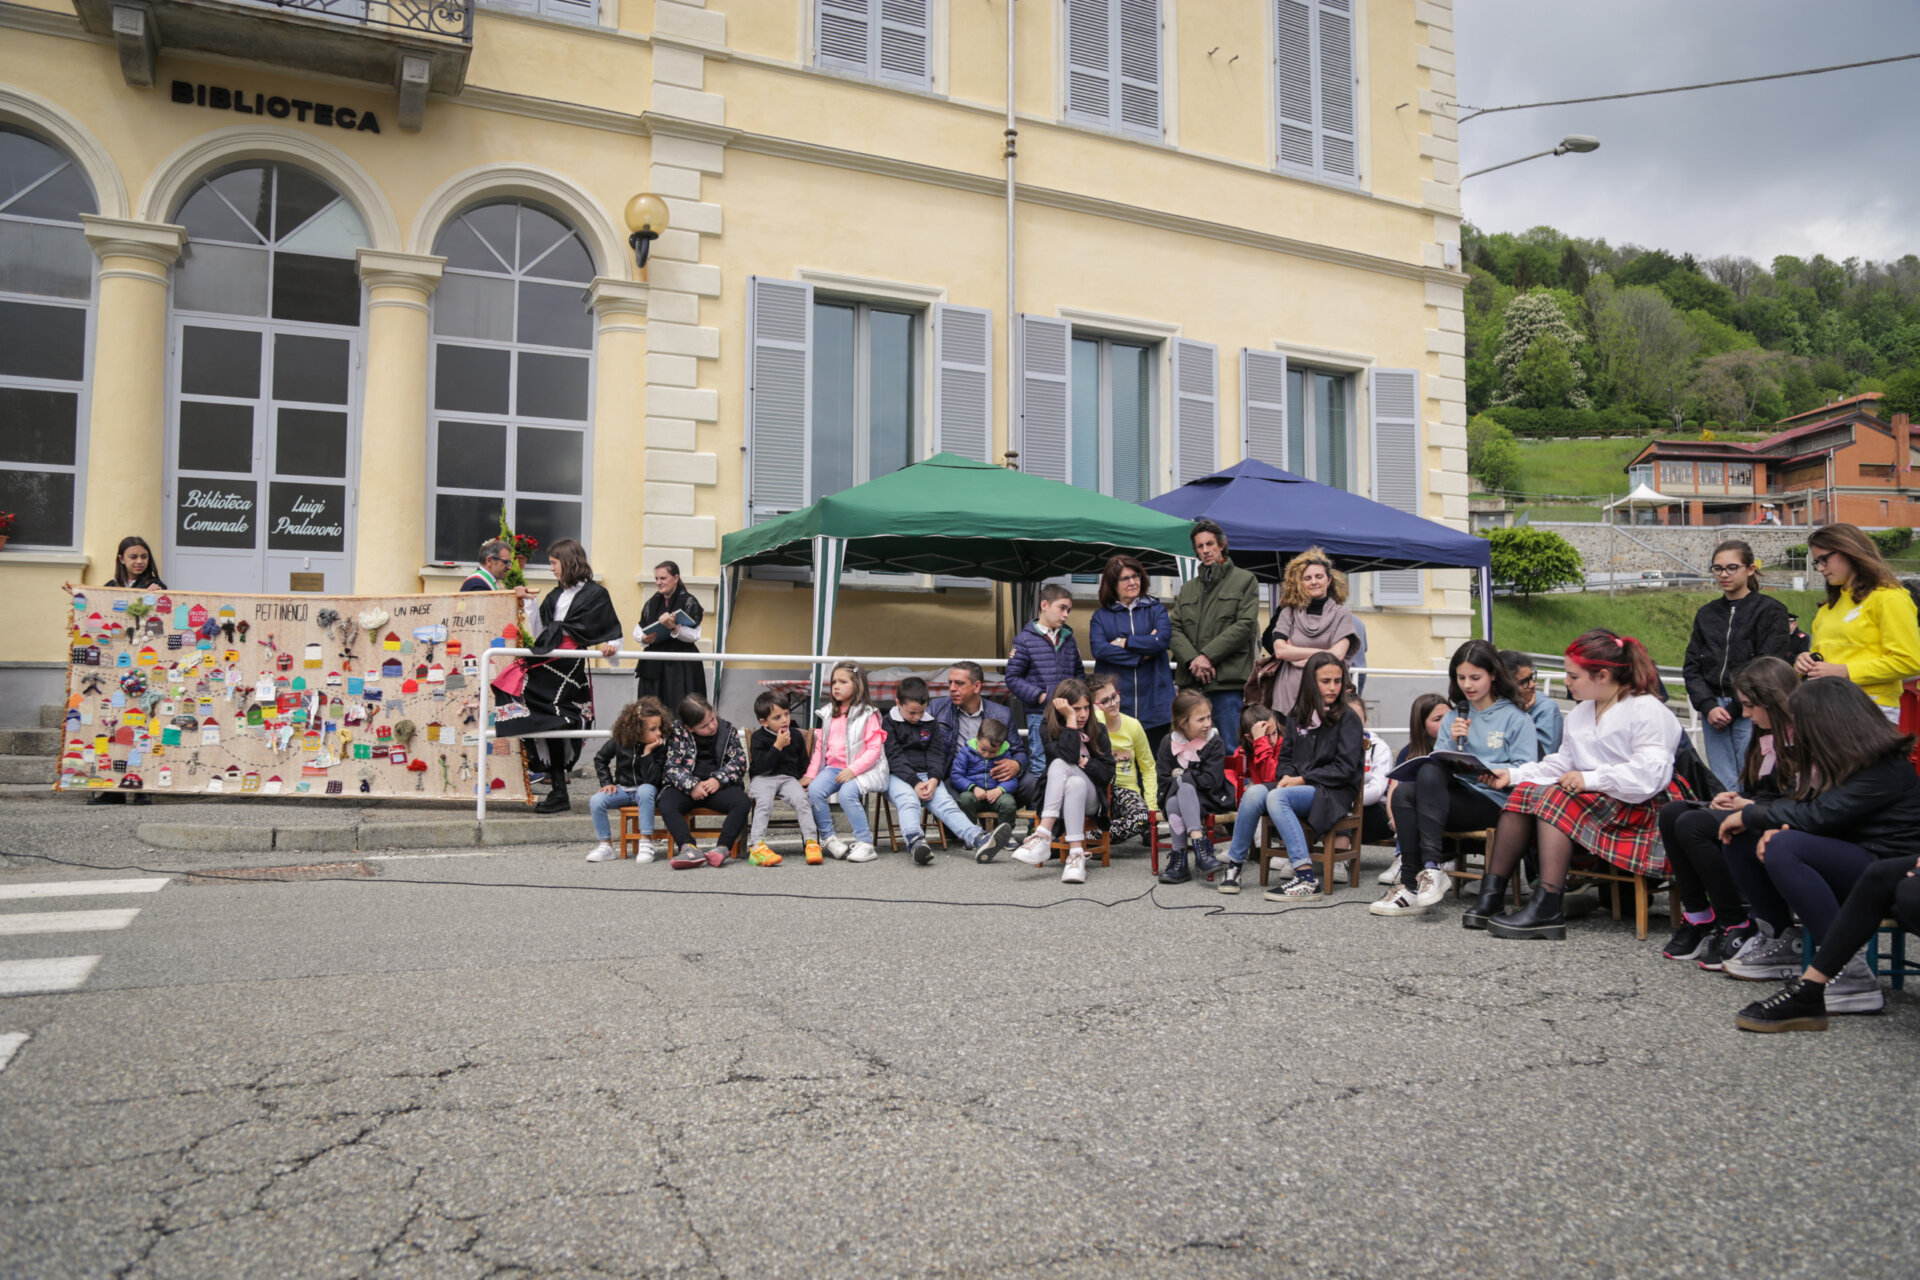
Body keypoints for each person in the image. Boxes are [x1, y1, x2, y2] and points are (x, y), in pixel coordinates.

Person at [1715, 678, 1920, 1019]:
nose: (1796, 731)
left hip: (1888, 869)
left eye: (1801, 723)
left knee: (1781, 844)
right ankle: (1779, 938)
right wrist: (1767, 823)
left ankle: (1848, 971)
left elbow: (1822, 815)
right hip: (1855, 854)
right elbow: (1811, 812)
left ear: (1829, 723)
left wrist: (1756, 816)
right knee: (1747, 836)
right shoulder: (1845, 758)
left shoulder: (1882, 765)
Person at [1468, 630, 1682, 941]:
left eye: (1573, 675)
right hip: (1595, 800)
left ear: (1603, 675)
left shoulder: (1647, 710)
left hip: (1639, 806)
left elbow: (1650, 776)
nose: (1566, 682)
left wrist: (1590, 779)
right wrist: (1512, 776)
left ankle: (1548, 905)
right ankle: (1492, 894)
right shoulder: (1582, 711)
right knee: (1527, 792)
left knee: (1555, 797)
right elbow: (1561, 763)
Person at [1371, 641, 1534, 917]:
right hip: (1451, 799)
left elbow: (1526, 769)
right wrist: (1456, 743)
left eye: (1475, 677)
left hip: (1494, 802)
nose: (1467, 685)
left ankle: (1430, 870)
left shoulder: (1515, 718)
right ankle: (1413, 883)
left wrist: (1483, 764)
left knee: (1427, 778)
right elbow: (1439, 763)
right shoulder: (1455, 715)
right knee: (1404, 791)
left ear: (1493, 675)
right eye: (1461, 678)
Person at [1654, 657, 1796, 966]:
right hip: (1757, 809)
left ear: (1773, 700)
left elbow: (1799, 800)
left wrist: (1749, 805)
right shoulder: (1764, 733)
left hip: (1779, 821)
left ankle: (1734, 920)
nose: (1745, 714)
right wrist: (1735, 797)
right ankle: (1698, 915)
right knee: (1672, 812)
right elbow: (1758, 787)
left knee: (1693, 824)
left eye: (1749, 706)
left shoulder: (1802, 737)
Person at [496, 538, 623, 815]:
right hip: (548, 657)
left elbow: (612, 633)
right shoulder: (554, 595)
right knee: (509, 683)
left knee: (553, 718)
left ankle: (557, 788)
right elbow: (540, 631)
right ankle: (553, 784)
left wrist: (610, 648)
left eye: (554, 563)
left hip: (570, 664)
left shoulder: (595, 595)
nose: (551, 569)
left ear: (567, 561)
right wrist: (529, 602)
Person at [1738, 846, 1920, 1033]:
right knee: (1879, 875)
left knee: (1909, 893)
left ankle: (1849, 972)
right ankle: (1810, 990)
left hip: (1888, 843)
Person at [1681, 539, 1793, 790]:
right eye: (1717, 568)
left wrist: (1735, 707)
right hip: (1713, 710)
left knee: (1754, 778)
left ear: (1750, 569)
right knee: (1722, 782)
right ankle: (1724, 825)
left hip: (1752, 708)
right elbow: (1692, 666)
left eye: (1732, 567)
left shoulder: (1770, 611)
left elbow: (1768, 665)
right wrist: (1708, 706)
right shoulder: (1706, 614)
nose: (1724, 574)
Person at [1260, 652, 1366, 900]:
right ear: (1310, 682)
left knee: (1277, 798)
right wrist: (1286, 776)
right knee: (1254, 793)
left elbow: (1345, 768)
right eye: (1325, 681)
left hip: (1333, 792)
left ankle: (1306, 878)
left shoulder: (1348, 718)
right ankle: (1234, 865)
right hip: (1303, 786)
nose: (1333, 687)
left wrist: (1302, 779)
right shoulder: (1299, 714)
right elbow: (1286, 757)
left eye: (1338, 681)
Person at [1797, 523, 1920, 723]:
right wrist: (1804, 661)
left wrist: (1844, 671)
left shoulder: (1889, 598)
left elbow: (1910, 662)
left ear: (1849, 550)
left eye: (1824, 560)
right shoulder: (1828, 608)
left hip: (1870, 706)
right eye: (1816, 562)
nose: (1820, 569)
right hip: (1825, 704)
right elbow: (1825, 657)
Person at [884, 676, 1012, 864]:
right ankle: (916, 841)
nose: (917, 717)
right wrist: (915, 782)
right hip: (898, 776)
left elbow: (937, 755)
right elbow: (893, 756)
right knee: (908, 801)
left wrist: (934, 779)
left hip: (928, 777)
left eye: (921, 711)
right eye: (912, 713)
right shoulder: (889, 722)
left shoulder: (931, 723)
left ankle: (979, 838)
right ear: (898, 703)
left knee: (946, 804)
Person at [1009, 678, 1115, 885]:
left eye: (1086, 708)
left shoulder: (1099, 730)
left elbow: (1107, 773)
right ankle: (1076, 856)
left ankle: (1043, 835)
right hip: (1063, 795)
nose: (1083, 714)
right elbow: (1068, 754)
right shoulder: (1048, 728)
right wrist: (1070, 722)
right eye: (1076, 709)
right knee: (1073, 782)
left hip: (1093, 800)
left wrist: (1084, 761)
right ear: (1062, 708)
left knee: (1059, 764)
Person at [1169, 519, 1259, 752]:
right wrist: (1193, 660)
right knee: (1187, 748)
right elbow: (1174, 628)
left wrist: (1207, 656)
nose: (1205, 550)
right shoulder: (1188, 588)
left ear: (1222, 545)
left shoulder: (1245, 580)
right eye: (1200, 546)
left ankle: (1235, 790)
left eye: (1210, 544)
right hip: (1191, 682)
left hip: (1227, 683)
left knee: (1232, 748)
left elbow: (1245, 625)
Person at [1251, 547, 1357, 719]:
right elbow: (1280, 651)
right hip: (1289, 694)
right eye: (1307, 578)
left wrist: (1299, 658)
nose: (1313, 582)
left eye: (1319, 576)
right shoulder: (1288, 613)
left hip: (1326, 695)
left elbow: (1338, 655)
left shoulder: (1342, 614)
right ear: (1300, 582)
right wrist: (1324, 653)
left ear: (1329, 580)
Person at [801, 661, 889, 862]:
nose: (836, 687)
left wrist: (853, 770)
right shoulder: (827, 713)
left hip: (864, 769)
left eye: (843, 682)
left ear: (857, 685)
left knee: (847, 794)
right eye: (833, 682)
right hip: (834, 768)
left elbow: (874, 750)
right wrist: (811, 775)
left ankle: (865, 844)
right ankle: (829, 839)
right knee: (814, 791)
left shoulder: (868, 714)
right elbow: (819, 749)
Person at [1089, 555, 1175, 751]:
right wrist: (1141, 655)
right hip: (1117, 705)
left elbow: (1161, 641)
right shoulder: (1101, 617)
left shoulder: (1156, 610)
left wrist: (1124, 642)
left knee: (1152, 764)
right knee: (1120, 765)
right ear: (1112, 584)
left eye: (1136, 576)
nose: (1133, 582)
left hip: (1155, 703)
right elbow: (1100, 649)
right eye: (1125, 578)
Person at [659, 694, 750, 869]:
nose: (712, 726)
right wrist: (692, 785)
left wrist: (718, 779)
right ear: (689, 728)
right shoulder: (677, 732)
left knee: (741, 802)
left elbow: (739, 761)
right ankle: (689, 848)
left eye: (712, 719)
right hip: (688, 788)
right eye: (704, 726)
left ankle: (722, 848)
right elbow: (671, 767)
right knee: (666, 803)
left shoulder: (727, 729)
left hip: (718, 787)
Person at [1005, 585, 1086, 783]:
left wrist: (1077, 702)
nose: (1066, 615)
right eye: (1062, 608)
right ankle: (1039, 813)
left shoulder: (1069, 639)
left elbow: (1079, 674)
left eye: (1069, 610)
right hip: (1039, 714)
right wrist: (1041, 696)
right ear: (1044, 605)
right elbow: (1013, 678)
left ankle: (1063, 812)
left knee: (1071, 762)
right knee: (1040, 765)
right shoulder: (1024, 640)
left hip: (1069, 715)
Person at [1154, 689, 1234, 885]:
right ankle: (1201, 848)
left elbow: (1211, 780)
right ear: (1183, 723)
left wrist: (1181, 776)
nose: (1207, 723)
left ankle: (1179, 859)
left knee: (1182, 787)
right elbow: (1164, 777)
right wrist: (1185, 779)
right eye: (1200, 720)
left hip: (1209, 798)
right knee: (1176, 796)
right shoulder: (1168, 743)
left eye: (1208, 717)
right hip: (1174, 797)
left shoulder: (1214, 742)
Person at [1376, 693, 1450, 886]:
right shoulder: (1408, 752)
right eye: (1437, 719)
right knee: (1406, 804)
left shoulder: (1455, 746)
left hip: (1445, 810)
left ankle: (1443, 860)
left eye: (1448, 717)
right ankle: (1403, 859)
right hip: (1413, 808)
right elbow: (1395, 787)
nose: (1445, 723)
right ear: (1421, 725)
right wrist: (1393, 817)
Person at [586, 696, 671, 863]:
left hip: (648, 791)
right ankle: (606, 846)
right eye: (653, 729)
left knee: (645, 789)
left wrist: (647, 752)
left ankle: (645, 842)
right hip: (623, 790)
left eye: (659, 728)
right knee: (597, 800)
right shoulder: (620, 741)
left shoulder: (659, 747)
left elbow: (653, 780)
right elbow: (600, 759)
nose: (659, 733)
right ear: (637, 729)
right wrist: (607, 783)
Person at [927, 662, 1027, 801]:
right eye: (950, 683)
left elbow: (1019, 751)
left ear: (977, 686)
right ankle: (969, 822)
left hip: (994, 776)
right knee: (950, 797)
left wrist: (1017, 765)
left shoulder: (1002, 713)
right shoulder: (936, 708)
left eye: (959, 683)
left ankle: (1003, 818)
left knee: (1031, 783)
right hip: (956, 776)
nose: (952, 688)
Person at [746, 692, 820, 867]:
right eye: (777, 717)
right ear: (764, 722)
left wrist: (803, 778)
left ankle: (811, 842)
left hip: (788, 778)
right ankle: (757, 846)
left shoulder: (795, 735)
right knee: (764, 802)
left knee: (802, 800)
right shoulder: (758, 738)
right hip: (763, 777)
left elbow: (803, 761)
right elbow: (762, 766)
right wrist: (777, 746)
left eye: (786, 713)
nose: (784, 720)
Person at [628, 561, 707, 713]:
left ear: (676, 578)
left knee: (681, 707)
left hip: (681, 665)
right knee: (651, 709)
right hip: (654, 664)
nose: (659, 583)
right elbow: (638, 629)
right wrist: (644, 638)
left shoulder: (688, 601)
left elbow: (695, 635)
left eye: (663, 578)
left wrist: (674, 627)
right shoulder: (652, 602)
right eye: (656, 579)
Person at [1088, 673, 1155, 845]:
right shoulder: (1089, 729)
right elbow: (1100, 750)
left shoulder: (1133, 725)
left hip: (1127, 791)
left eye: (1114, 696)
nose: (1114, 703)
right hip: (1098, 790)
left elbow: (1148, 768)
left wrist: (1152, 806)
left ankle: (1090, 838)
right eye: (1105, 701)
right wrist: (1099, 719)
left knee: (1141, 817)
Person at [952, 718, 1022, 861]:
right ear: (977, 738)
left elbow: (1012, 779)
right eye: (983, 749)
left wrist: (1000, 790)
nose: (987, 754)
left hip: (996, 793)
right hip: (974, 793)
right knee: (964, 799)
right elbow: (956, 775)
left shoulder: (1005, 754)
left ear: (1001, 746)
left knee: (1008, 802)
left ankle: (1005, 835)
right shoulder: (966, 752)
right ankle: (971, 834)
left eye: (992, 752)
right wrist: (973, 788)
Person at [1349, 694, 1395, 847]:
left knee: (1341, 812)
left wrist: (1344, 798)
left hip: (1372, 809)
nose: (1351, 724)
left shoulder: (1378, 748)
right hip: (1343, 803)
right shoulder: (1329, 745)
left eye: (1357, 719)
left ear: (1365, 721)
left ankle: (1340, 855)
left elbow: (1376, 791)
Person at [1499, 651, 1563, 757]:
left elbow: (1542, 759)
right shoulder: (1493, 704)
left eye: (1532, 677)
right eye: (1524, 682)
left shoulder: (1546, 709)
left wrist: (1521, 716)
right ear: (1504, 685)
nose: (1533, 684)